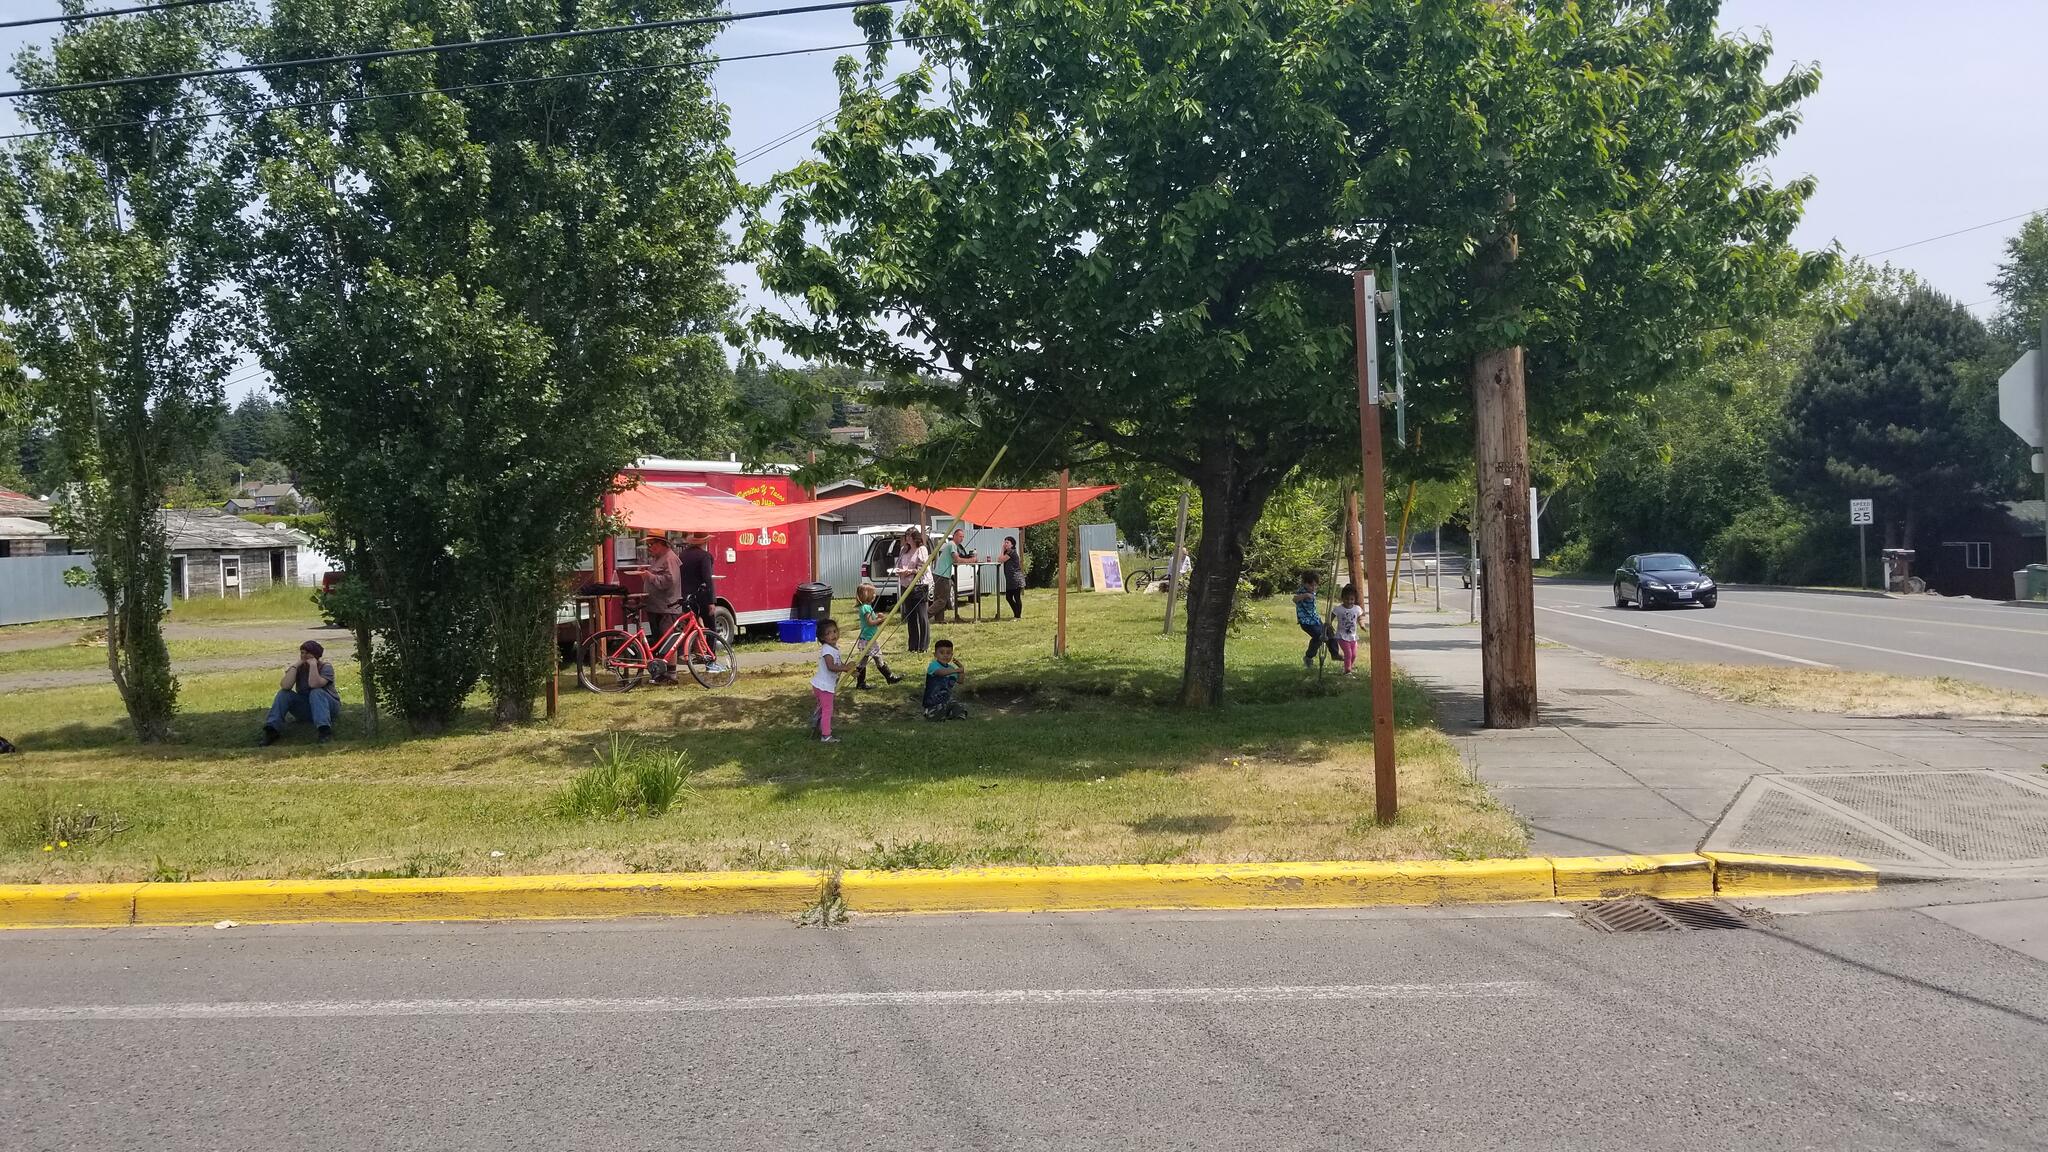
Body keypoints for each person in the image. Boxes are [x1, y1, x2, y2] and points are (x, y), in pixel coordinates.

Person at [262, 640, 339, 745]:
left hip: (328, 708)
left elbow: (314, 684)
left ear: (316, 655)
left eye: (308, 653)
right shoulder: (299, 668)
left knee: (316, 692)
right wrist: (295, 666)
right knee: (283, 694)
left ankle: (324, 731)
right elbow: (285, 686)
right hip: (306, 708)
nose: (304, 656)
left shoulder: (326, 667)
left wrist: (312, 666)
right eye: (302, 653)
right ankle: (272, 729)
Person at [852, 581, 901, 689]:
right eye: (872, 593)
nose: (875, 595)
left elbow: (872, 622)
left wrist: (879, 618)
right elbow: (870, 622)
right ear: (866, 595)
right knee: (878, 658)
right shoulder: (866, 608)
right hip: (868, 640)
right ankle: (890, 677)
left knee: (863, 662)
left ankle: (861, 684)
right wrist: (879, 620)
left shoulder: (866, 607)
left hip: (867, 638)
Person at [810, 618, 850, 743]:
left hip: (823, 685)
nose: (833, 635)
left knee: (823, 708)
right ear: (822, 638)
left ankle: (817, 725)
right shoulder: (827, 650)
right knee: (828, 710)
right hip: (824, 686)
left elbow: (838, 663)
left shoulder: (834, 648)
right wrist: (844, 668)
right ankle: (826, 736)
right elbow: (831, 666)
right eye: (828, 633)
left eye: (834, 631)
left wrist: (849, 670)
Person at [894, 526, 932, 652]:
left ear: (914, 537)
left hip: (919, 586)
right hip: (906, 585)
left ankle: (924, 646)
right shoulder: (903, 550)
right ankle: (913, 646)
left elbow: (923, 568)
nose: (907, 538)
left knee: (921, 616)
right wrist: (899, 571)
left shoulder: (922, 549)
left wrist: (910, 571)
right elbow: (899, 564)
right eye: (906, 536)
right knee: (910, 616)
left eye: (909, 536)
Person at [1293, 571, 1339, 669]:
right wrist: (1305, 595)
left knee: (1329, 631)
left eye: (1315, 586)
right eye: (1312, 585)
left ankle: (1335, 653)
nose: (1314, 588)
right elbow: (1295, 599)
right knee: (1319, 636)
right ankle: (1308, 657)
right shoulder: (1302, 591)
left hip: (1315, 620)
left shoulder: (1312, 591)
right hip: (1306, 622)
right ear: (1305, 583)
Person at [933, 527, 980, 622]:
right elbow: (957, 559)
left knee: (939, 598)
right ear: (954, 536)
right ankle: (925, 616)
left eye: (963, 537)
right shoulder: (952, 545)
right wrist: (971, 560)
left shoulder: (952, 545)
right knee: (942, 600)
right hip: (942, 575)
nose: (961, 539)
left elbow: (958, 558)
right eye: (960, 536)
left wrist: (966, 558)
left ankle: (939, 620)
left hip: (940, 573)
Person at [677, 530, 717, 634]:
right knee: (710, 627)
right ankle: (710, 650)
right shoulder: (705, 556)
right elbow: (707, 579)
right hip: (701, 596)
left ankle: (689, 648)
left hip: (686, 596)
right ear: (705, 542)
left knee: (689, 627)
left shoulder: (682, 555)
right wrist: (711, 601)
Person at [922, 638, 967, 720]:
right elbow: (940, 672)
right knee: (938, 711)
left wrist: (961, 669)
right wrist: (956, 670)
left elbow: (960, 681)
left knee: (958, 706)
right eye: (942, 653)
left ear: (952, 655)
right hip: (933, 702)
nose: (945, 655)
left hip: (946, 701)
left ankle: (956, 716)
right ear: (935, 654)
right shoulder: (933, 665)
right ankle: (932, 714)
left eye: (948, 653)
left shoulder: (951, 669)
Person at [1331, 584, 1364, 676]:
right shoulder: (1339, 609)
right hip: (1341, 636)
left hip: (1353, 636)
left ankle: (1348, 667)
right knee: (1348, 653)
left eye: (1352, 599)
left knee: (1353, 655)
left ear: (1355, 599)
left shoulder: (1357, 609)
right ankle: (1347, 671)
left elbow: (1360, 618)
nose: (1349, 601)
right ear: (1342, 598)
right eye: (1347, 599)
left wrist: (1362, 625)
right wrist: (1328, 624)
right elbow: (1331, 616)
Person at [998, 535, 1024, 619]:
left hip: (1016, 578)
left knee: (1016, 597)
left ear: (1012, 545)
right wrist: (1003, 551)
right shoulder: (1007, 552)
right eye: (1004, 542)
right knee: (1008, 597)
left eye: (1007, 542)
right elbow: (1000, 559)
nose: (1005, 544)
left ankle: (1018, 616)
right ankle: (1016, 614)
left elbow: (1001, 560)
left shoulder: (1011, 552)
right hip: (1010, 579)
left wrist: (1002, 550)